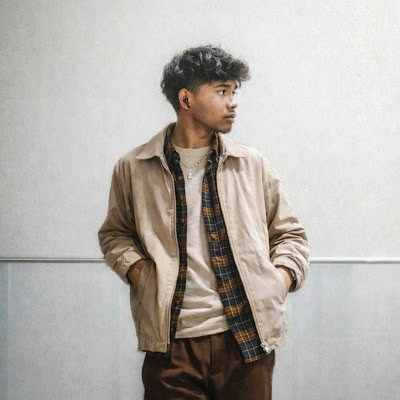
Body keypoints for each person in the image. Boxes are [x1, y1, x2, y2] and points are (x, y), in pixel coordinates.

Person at [98, 45, 309, 400]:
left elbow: (290, 235)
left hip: (246, 342)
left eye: (234, 92)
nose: (233, 103)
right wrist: (140, 275)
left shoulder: (251, 165)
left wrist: (278, 281)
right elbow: (115, 234)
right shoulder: (134, 167)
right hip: (172, 348)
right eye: (222, 91)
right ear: (186, 99)